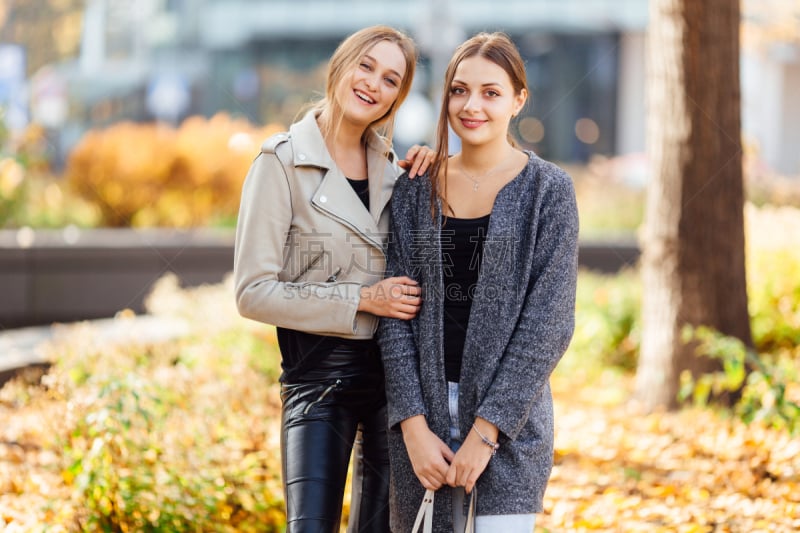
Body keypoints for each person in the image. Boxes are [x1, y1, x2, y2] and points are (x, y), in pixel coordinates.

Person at [234, 25, 434, 533]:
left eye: (392, 79)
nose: (374, 84)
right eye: (366, 66)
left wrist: (437, 175)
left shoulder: (395, 172)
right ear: (341, 65)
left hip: (394, 382)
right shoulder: (279, 162)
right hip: (318, 378)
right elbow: (252, 292)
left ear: (397, 98)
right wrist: (362, 298)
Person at [378, 32, 579, 532]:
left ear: (518, 100)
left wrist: (486, 432)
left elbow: (549, 323)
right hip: (421, 424)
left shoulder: (548, 192)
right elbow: (396, 313)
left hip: (509, 427)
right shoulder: (415, 189)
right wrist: (412, 425)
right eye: (459, 90)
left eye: (491, 92)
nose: (472, 106)